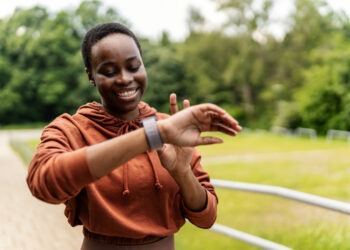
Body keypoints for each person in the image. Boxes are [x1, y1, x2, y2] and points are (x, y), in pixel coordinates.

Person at [26, 22, 242, 250]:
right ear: (91, 75)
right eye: (109, 71)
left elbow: (206, 218)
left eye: (133, 66)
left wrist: (182, 172)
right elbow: (43, 184)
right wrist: (151, 135)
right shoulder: (71, 129)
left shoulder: (169, 129)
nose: (124, 78)